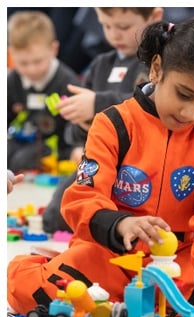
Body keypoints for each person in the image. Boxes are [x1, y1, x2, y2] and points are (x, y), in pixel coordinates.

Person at [6, 18, 194, 317]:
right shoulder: (113, 123)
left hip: (184, 260)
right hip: (113, 257)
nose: (190, 113)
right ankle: (149, 302)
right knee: (26, 288)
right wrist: (122, 224)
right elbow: (82, 198)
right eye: (184, 94)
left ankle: (133, 304)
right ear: (157, 69)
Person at [44, 7, 163, 235]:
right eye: (106, 26)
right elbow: (72, 133)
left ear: (154, 17)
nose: (114, 34)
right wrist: (81, 125)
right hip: (100, 161)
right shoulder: (100, 64)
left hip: (141, 165)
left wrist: (98, 103)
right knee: (57, 213)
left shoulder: (157, 63)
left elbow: (152, 102)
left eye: (124, 27)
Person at [7, 11, 80, 173]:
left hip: (54, 146)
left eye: (37, 61)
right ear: (11, 54)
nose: (31, 69)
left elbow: (77, 123)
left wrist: (76, 148)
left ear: (53, 50)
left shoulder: (68, 82)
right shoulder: (12, 81)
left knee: (22, 160)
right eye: (23, 63)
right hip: (21, 138)